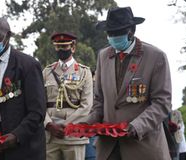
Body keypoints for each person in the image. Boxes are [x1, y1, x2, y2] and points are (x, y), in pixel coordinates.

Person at [86, 7, 172, 160]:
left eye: (117, 33)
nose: (113, 37)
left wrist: (136, 126)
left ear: (131, 31)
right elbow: (99, 99)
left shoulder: (155, 57)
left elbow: (162, 103)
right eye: (109, 33)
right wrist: (87, 124)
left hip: (143, 146)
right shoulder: (103, 56)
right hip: (108, 148)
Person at [0, 17, 46, 160]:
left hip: (21, 146)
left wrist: (16, 136)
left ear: (8, 35)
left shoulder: (28, 65)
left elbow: (37, 112)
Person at [43, 32, 93, 160]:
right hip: (50, 134)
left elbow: (86, 105)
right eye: (58, 47)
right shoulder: (47, 72)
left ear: (73, 47)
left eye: (64, 46)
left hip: (73, 134)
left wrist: (66, 126)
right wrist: (48, 124)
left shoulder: (84, 72)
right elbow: (39, 103)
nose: (61, 50)